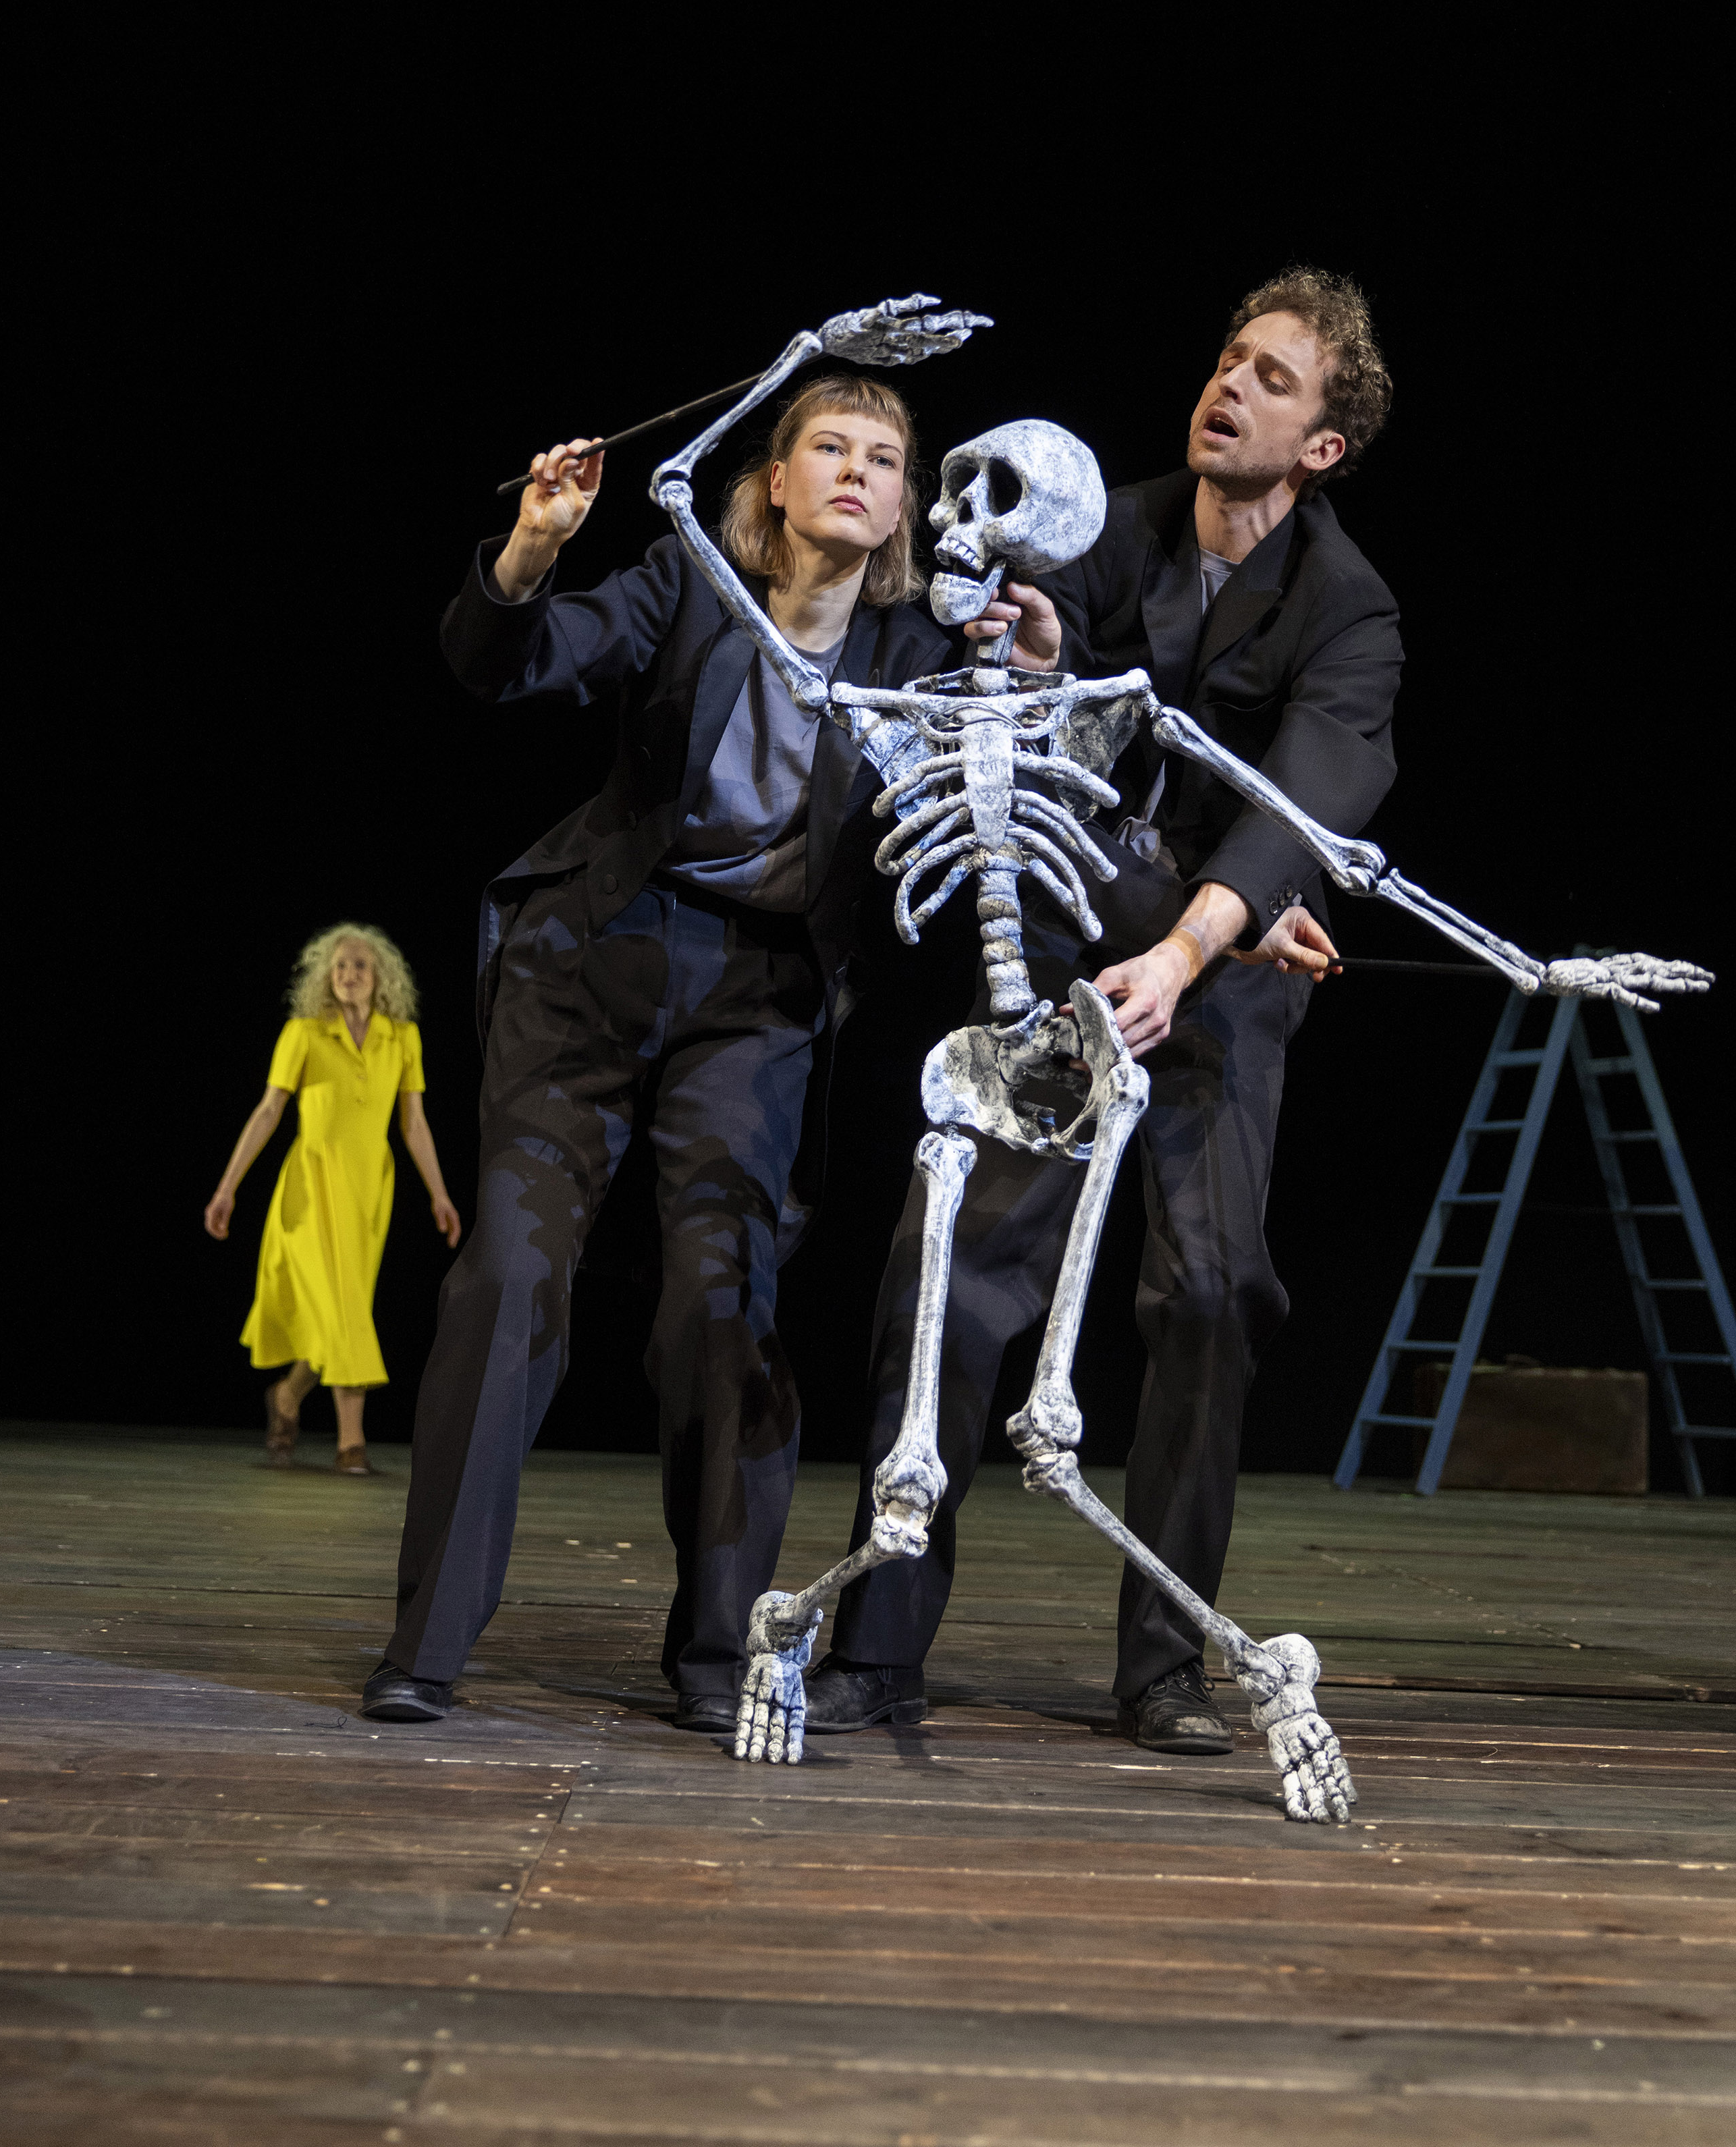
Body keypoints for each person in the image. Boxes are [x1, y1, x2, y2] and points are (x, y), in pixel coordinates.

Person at [813, 265, 1401, 1751]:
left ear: (1322, 445)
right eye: (1228, 357)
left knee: (1210, 1296)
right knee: (950, 1270)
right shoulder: (1097, 525)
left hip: (1220, 979)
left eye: (1271, 379)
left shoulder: (1346, 608)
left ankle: (1161, 1667)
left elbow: (1312, 796)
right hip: (1069, 951)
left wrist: (1206, 939)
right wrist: (1036, 663)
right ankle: (876, 1645)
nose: (1229, 386)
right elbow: (1023, 690)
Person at [363, 377, 956, 1729]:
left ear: (900, 506)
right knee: (509, 1271)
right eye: (829, 448)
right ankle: (425, 1647)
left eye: (884, 458)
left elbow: (1007, 765)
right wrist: (532, 544)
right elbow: (508, 658)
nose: (857, 472)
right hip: (597, 956)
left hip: (758, 990)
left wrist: (1025, 659)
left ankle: (718, 1653)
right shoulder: (686, 584)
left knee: (722, 1291)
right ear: (775, 482)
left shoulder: (918, 654)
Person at [207, 925, 461, 1475]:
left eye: (360, 965)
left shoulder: (402, 1038)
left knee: (342, 1313)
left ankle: (288, 1395)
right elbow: (269, 1112)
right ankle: (352, 1442)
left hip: (369, 1192)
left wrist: (440, 1194)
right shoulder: (304, 1033)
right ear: (326, 975)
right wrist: (228, 1187)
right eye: (340, 965)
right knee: (345, 1309)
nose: (349, 974)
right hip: (310, 1189)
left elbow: (414, 1124)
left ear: (381, 977)